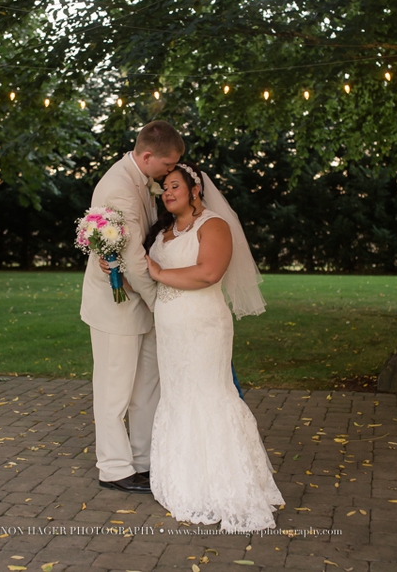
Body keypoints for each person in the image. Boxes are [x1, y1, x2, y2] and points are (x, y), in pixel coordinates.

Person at [144, 161, 284, 532]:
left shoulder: (214, 226)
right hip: (171, 332)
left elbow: (209, 272)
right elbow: (148, 277)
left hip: (204, 328)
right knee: (178, 397)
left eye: (175, 186)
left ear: (195, 190)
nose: (168, 193)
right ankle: (186, 482)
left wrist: (157, 272)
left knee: (208, 395)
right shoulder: (164, 232)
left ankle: (228, 486)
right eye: (164, 188)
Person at [80, 121, 184, 494]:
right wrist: (162, 305)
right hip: (116, 307)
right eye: (167, 165)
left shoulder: (140, 178)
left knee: (145, 389)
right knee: (114, 392)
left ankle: (142, 461)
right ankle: (113, 468)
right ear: (146, 156)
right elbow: (134, 260)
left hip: (137, 303)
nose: (169, 172)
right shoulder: (120, 187)